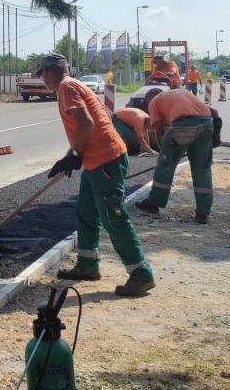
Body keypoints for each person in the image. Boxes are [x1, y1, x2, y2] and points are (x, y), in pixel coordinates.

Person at [38, 53, 156, 297]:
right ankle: (88, 264)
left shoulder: (66, 86)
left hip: (105, 160)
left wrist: (76, 154)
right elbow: (85, 125)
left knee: (114, 216)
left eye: (41, 73)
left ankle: (141, 274)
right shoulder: (73, 84)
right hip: (97, 161)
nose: (41, 78)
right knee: (86, 211)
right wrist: (71, 155)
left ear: (52, 71)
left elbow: (86, 122)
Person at [136, 88, 215, 223]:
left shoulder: (154, 102)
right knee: (202, 168)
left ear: (149, 98)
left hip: (184, 124)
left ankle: (153, 204)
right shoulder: (181, 92)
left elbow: (159, 129)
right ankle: (203, 213)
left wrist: (164, 152)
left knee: (166, 165)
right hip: (207, 123)